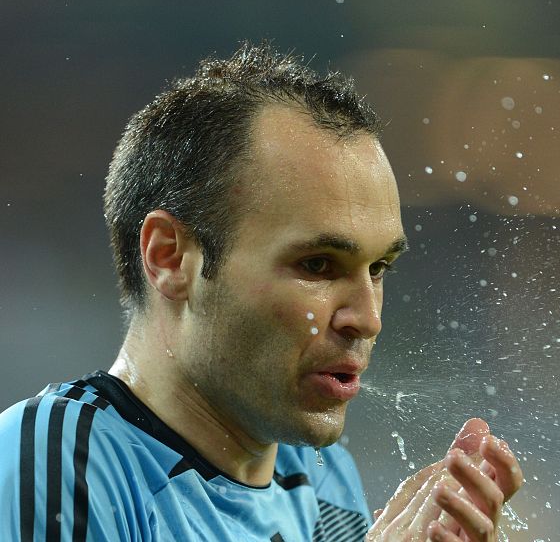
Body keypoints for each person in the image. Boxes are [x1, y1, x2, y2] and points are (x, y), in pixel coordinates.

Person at [0, 42, 523, 541]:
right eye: (318, 265)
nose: (367, 318)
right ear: (170, 258)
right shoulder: (60, 455)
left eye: (379, 267)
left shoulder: (323, 481)